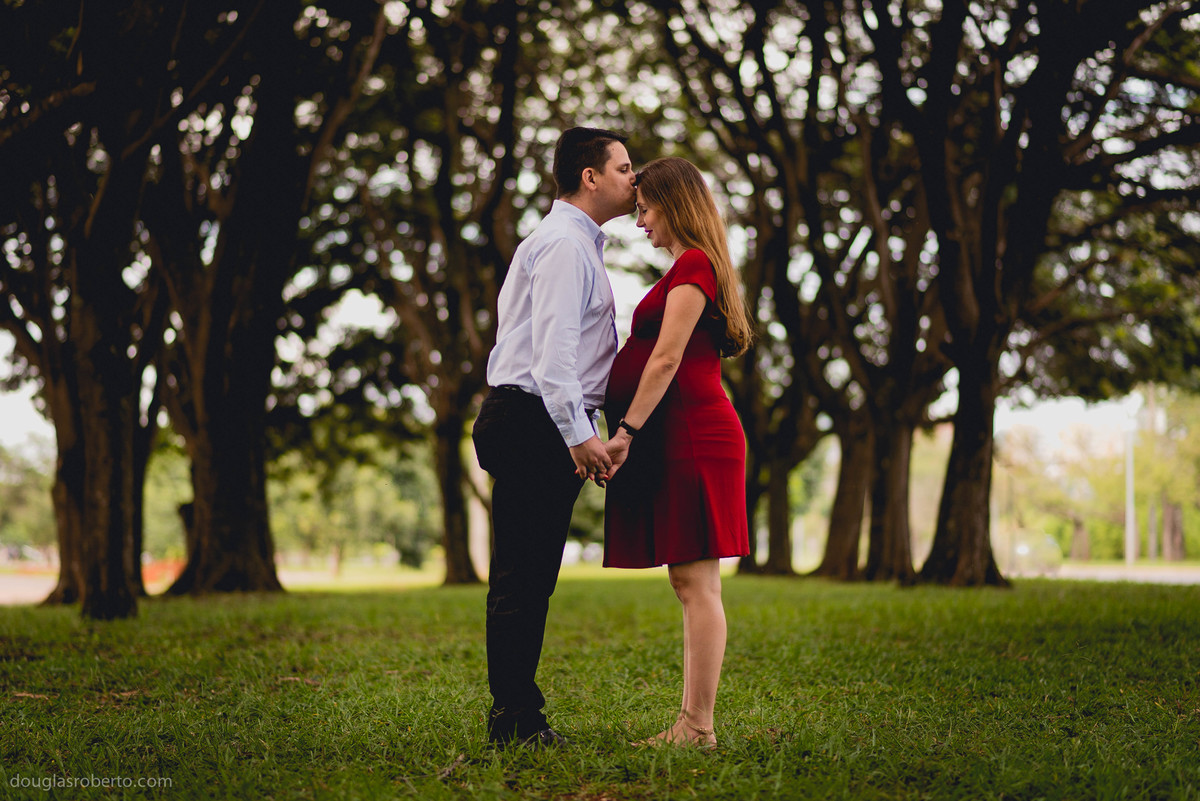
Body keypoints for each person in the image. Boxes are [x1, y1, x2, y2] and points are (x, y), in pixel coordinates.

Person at [471, 127, 636, 747]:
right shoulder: (566, 245)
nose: (634, 178)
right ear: (589, 177)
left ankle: (516, 716)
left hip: (534, 419)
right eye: (624, 167)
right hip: (533, 419)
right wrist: (579, 436)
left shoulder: (573, 242)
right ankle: (514, 722)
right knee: (522, 577)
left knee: (531, 576)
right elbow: (554, 359)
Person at [600, 156, 754, 750]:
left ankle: (697, 726)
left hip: (691, 434)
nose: (640, 222)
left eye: (645, 209)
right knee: (691, 583)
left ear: (675, 203)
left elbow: (666, 357)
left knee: (696, 585)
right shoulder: (689, 266)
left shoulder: (693, 264)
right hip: (683, 434)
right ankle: (694, 723)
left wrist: (626, 433)